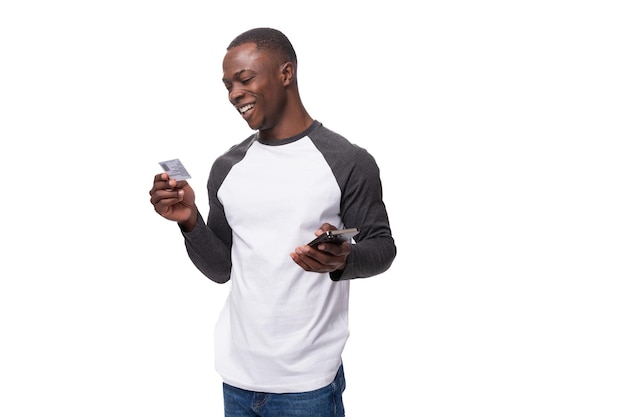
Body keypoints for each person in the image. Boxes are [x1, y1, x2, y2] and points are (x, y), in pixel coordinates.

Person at [149, 27, 396, 417]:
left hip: (307, 385)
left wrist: (343, 259)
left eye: (245, 79)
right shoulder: (227, 167)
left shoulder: (347, 160)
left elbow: (383, 247)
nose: (234, 94)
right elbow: (221, 270)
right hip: (237, 377)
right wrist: (190, 221)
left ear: (286, 73)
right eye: (228, 85)